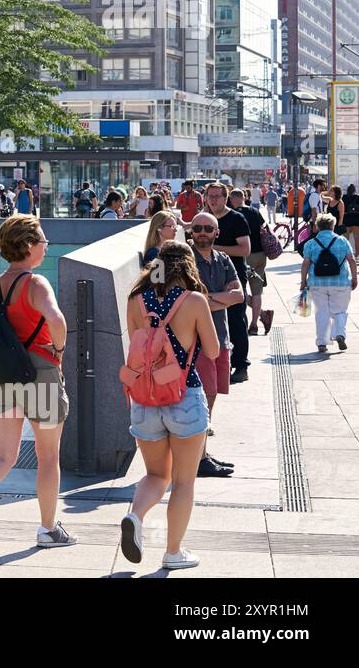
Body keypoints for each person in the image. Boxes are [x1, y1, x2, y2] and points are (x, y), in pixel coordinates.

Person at [0, 214, 75, 553]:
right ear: (27, 246)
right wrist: (59, 351)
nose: (46, 246)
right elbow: (56, 319)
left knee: (4, 455)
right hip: (40, 372)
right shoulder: (36, 284)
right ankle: (48, 529)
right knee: (48, 455)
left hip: (1, 374)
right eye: (43, 241)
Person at [119, 241, 223, 570]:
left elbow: (137, 348)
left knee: (154, 474)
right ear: (187, 266)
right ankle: (173, 552)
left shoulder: (136, 299)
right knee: (183, 481)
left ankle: (135, 515)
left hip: (145, 399)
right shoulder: (194, 300)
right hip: (183, 395)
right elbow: (213, 351)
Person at [188, 213, 242, 478]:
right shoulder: (185, 261)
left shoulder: (223, 259)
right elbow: (191, 301)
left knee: (210, 398)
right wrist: (224, 299)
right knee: (202, 398)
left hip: (221, 337)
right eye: (197, 228)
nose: (202, 232)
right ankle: (197, 459)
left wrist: (210, 299)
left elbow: (239, 295)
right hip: (197, 342)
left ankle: (202, 454)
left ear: (216, 232)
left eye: (207, 228)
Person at [205, 182, 251, 384]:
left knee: (236, 320)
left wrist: (215, 247)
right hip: (208, 277)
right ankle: (215, 365)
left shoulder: (236, 218)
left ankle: (241, 366)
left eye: (218, 196)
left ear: (226, 198)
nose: (214, 200)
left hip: (233, 277)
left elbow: (245, 250)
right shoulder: (204, 219)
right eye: (210, 196)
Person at [300, 212, 356, 354]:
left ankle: (322, 343)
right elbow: (351, 260)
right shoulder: (343, 241)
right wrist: (355, 279)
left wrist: (303, 281)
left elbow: (305, 264)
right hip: (341, 281)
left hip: (317, 282)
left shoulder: (310, 243)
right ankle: (339, 334)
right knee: (340, 310)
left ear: (317, 227)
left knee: (322, 312)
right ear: (333, 225)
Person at [230, 189, 272, 337]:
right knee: (257, 292)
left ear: (231, 199)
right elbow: (264, 228)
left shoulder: (232, 215)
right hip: (260, 254)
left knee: (237, 289)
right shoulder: (255, 212)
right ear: (244, 198)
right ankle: (254, 324)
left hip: (243, 256)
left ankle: (261, 315)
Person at [343, 184, 359, 250]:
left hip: (346, 219)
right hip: (356, 219)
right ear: (354, 190)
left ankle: (346, 254)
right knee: (357, 239)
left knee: (346, 239)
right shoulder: (358, 197)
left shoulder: (344, 197)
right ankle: (357, 255)